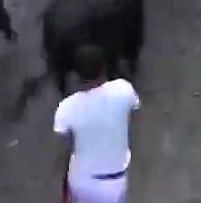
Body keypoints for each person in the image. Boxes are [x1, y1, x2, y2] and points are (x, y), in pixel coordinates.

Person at [54, 45, 140, 203]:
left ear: (76, 75)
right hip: (115, 180)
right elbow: (131, 111)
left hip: (82, 181)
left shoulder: (66, 108)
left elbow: (69, 143)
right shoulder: (124, 90)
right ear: (103, 68)